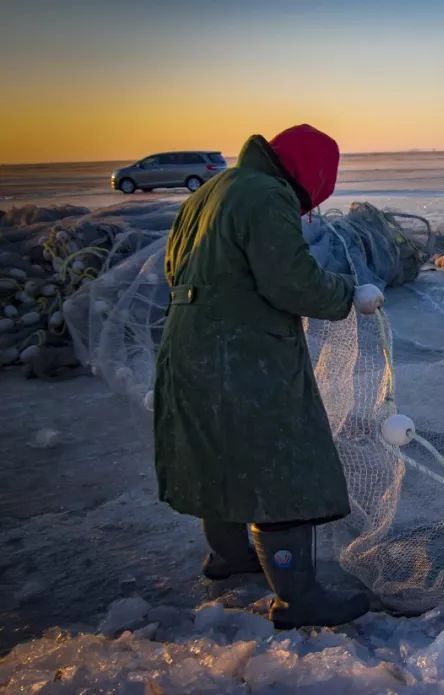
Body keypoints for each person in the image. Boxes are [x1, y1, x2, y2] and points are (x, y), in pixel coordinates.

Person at [154, 124, 370, 629]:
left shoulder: (212, 190)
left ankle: (228, 556)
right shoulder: (267, 194)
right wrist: (345, 293)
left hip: (189, 345)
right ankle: (298, 597)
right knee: (280, 461)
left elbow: (173, 268)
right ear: (309, 176)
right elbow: (291, 279)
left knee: (221, 452)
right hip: (243, 353)